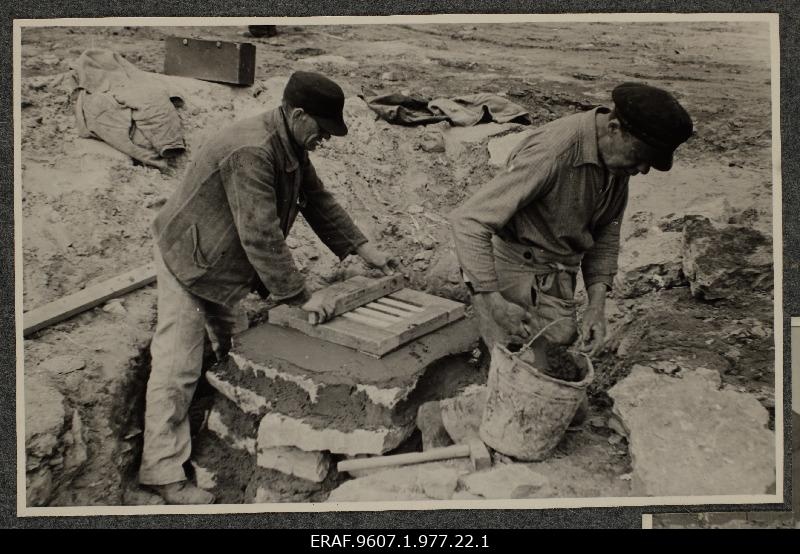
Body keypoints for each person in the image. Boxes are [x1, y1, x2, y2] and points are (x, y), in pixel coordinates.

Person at [139, 71, 395, 504]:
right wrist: (297, 295)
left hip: (223, 260)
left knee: (234, 347)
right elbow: (260, 234)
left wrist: (362, 249)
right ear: (298, 114)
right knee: (177, 363)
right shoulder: (252, 150)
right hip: (190, 257)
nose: (326, 140)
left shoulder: (289, 142)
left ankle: (212, 418)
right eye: (322, 129)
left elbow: (318, 200)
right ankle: (162, 472)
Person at [450, 82, 693, 399]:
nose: (643, 169)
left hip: (556, 267)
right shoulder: (553, 153)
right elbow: (468, 220)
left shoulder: (615, 160)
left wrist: (596, 306)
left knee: (562, 345)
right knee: (522, 379)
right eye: (640, 157)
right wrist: (493, 300)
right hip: (511, 264)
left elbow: (606, 231)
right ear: (615, 128)